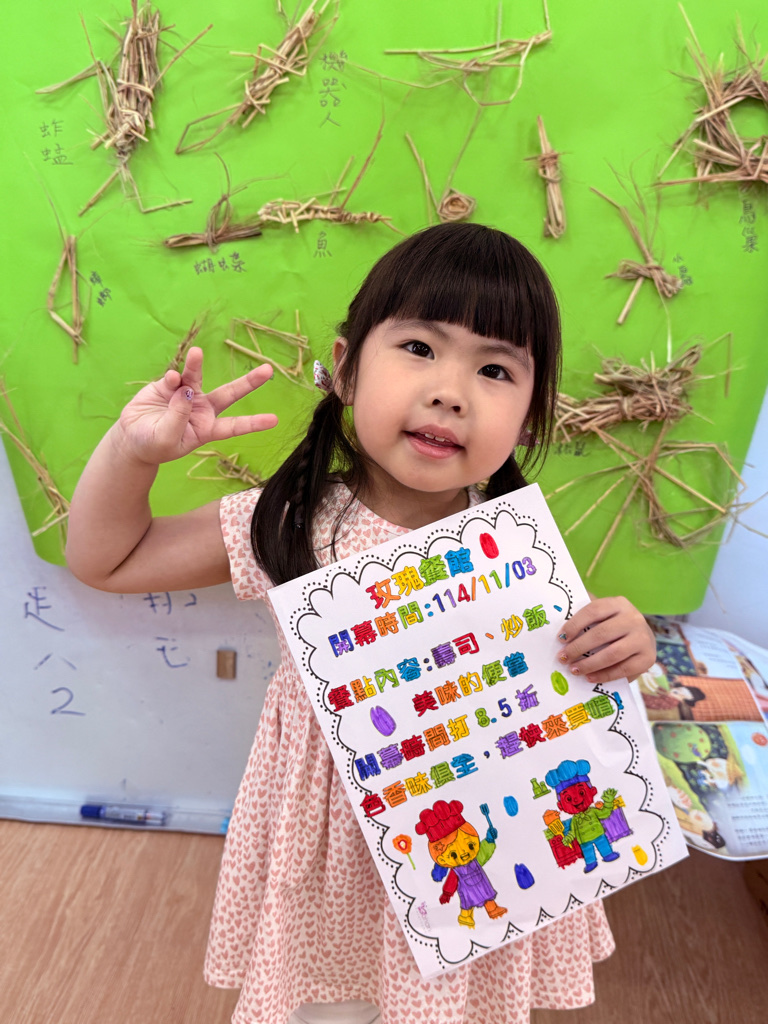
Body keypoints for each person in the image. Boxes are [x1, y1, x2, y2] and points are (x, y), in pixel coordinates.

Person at [66, 222, 656, 1024]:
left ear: (528, 419)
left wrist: (625, 644)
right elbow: (109, 559)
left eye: (494, 369)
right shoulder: (291, 518)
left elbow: (576, 674)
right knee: (327, 1005)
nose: (451, 391)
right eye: (419, 347)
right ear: (344, 368)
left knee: (448, 1007)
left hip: (480, 829)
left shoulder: (518, 552)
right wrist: (132, 453)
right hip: (329, 843)